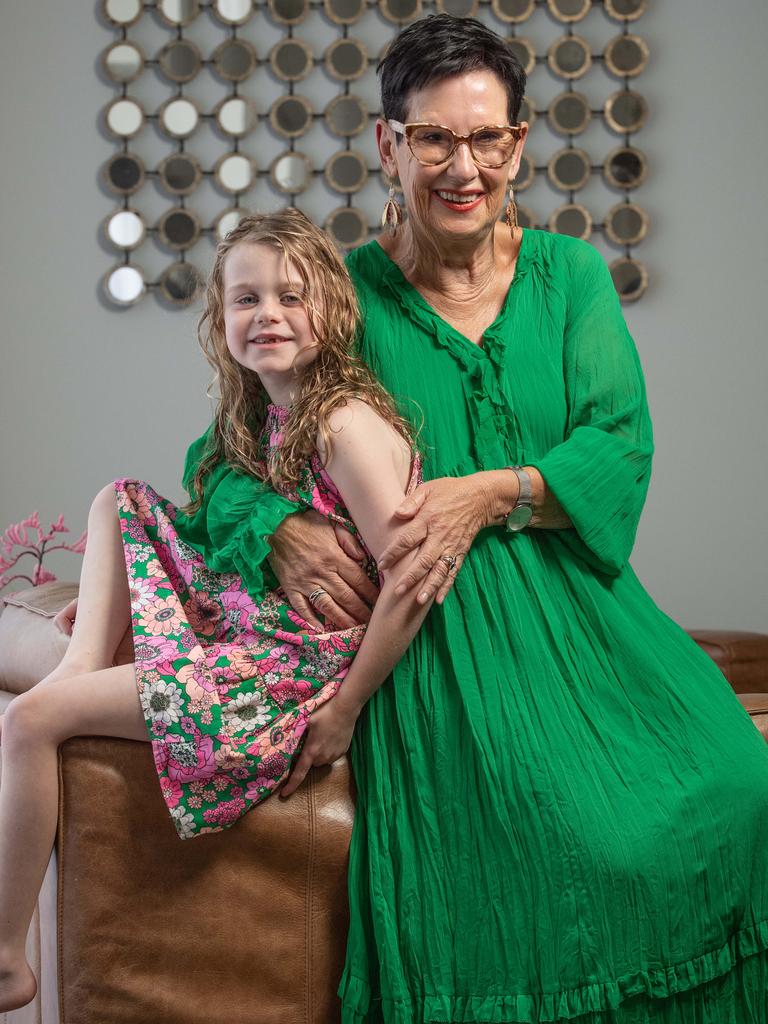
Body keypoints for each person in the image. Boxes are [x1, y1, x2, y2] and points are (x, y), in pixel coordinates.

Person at [257, 15, 768, 1024]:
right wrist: (276, 530)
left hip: (589, 617)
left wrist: (492, 491)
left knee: (737, 779)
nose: (464, 166)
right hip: (442, 634)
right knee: (574, 834)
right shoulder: (343, 295)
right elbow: (226, 447)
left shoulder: (571, 277)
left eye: (488, 139)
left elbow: (619, 441)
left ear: (521, 144)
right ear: (387, 144)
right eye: (436, 138)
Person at [0, 209, 434, 1013]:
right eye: (245, 299)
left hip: (288, 677)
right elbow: (207, 527)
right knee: (117, 499)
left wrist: (347, 707)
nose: (266, 313)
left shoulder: (342, 422)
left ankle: (4, 956)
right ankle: (85, 664)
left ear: (334, 311)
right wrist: (138, 582)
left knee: (30, 721)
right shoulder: (265, 417)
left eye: (290, 296)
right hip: (255, 627)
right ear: (220, 319)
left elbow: (413, 579)